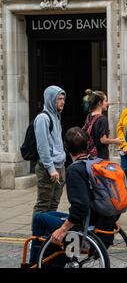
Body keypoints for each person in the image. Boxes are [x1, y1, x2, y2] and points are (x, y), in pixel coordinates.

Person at [29, 127, 119, 265]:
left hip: (85, 226)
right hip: (101, 222)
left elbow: (80, 207)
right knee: (50, 214)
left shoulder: (75, 170)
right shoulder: (96, 163)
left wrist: (63, 229)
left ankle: (36, 263)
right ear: (87, 145)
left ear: (66, 148)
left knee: (39, 218)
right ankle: (62, 256)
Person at [33, 85, 66, 215]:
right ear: (50, 99)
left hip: (60, 166)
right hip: (48, 169)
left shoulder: (56, 116)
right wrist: (51, 169)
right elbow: (43, 147)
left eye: (63, 99)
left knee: (53, 204)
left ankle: (48, 233)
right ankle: (37, 234)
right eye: (59, 99)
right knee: (43, 204)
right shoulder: (43, 118)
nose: (62, 102)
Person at [82, 91, 121, 160]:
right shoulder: (102, 119)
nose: (107, 103)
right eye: (105, 101)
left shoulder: (89, 116)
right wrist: (116, 141)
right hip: (101, 156)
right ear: (100, 103)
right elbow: (103, 140)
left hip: (90, 155)